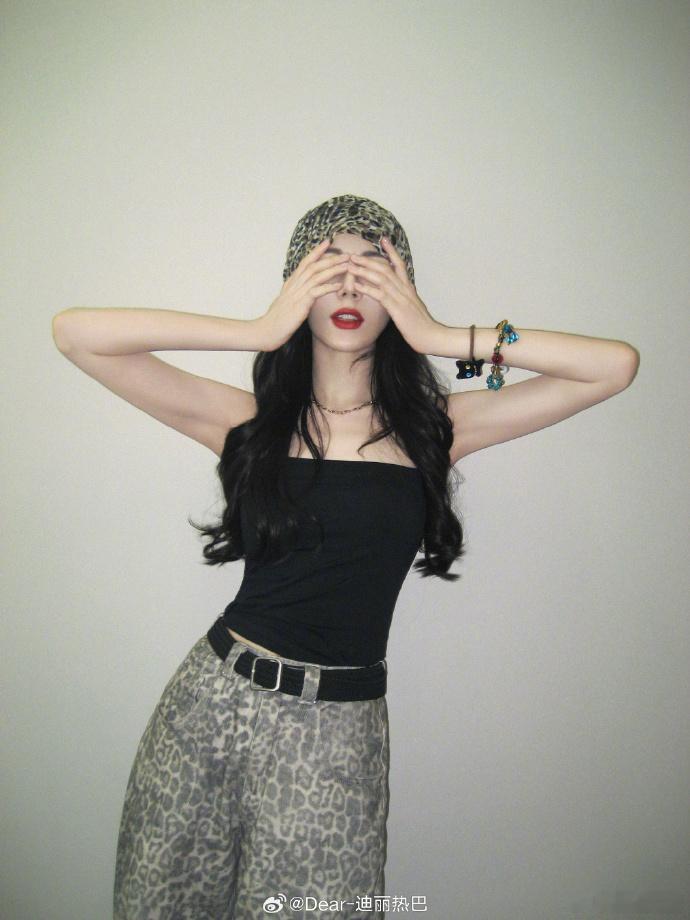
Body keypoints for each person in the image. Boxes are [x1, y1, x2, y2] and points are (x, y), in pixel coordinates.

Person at [51, 193, 640, 919]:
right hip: (209, 710)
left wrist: (441, 334)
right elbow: (75, 334)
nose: (353, 284)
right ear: (297, 288)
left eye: (375, 268)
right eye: (329, 266)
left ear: (400, 293)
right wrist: (257, 329)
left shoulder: (436, 429)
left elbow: (612, 366)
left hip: (335, 734)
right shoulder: (246, 423)